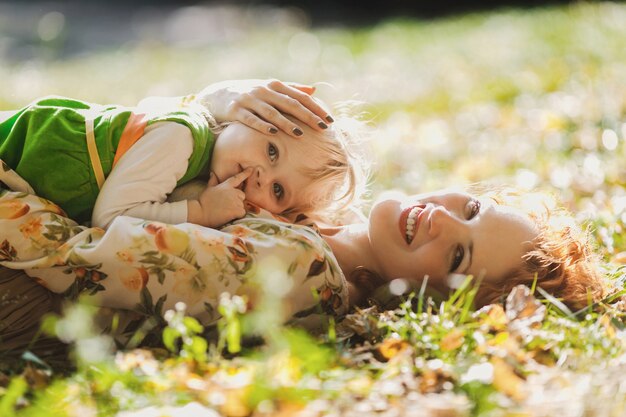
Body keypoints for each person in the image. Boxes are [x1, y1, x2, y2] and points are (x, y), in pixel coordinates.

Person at [0, 173, 608, 362]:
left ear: (428, 304)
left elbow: (76, 259)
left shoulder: (296, 268)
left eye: (458, 254)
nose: (446, 221)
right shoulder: (315, 221)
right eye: (473, 209)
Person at [0, 79, 366, 230]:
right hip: (20, 151)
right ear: (248, 116)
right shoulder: (181, 138)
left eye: (278, 191)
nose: (260, 177)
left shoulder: (204, 161)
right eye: (271, 150)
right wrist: (200, 212)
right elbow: (110, 218)